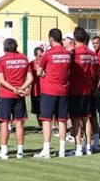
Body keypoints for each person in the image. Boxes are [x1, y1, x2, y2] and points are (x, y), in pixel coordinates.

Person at [0, 37, 33, 160]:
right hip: (19, 96)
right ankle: (20, 151)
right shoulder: (24, 59)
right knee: (19, 123)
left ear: (5, 48)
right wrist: (21, 88)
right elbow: (30, 78)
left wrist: (14, 89)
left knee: (4, 122)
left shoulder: (2, 60)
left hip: (6, 95)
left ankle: (4, 152)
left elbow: (2, 80)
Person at [34, 28, 71, 159]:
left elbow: (39, 72)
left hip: (49, 90)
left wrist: (41, 71)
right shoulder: (67, 54)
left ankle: (46, 150)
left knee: (46, 120)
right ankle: (62, 150)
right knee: (62, 120)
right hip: (64, 90)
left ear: (51, 39)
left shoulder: (48, 54)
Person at [69, 27, 96, 156]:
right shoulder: (91, 53)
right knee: (87, 118)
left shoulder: (74, 53)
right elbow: (94, 72)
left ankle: (79, 147)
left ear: (75, 38)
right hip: (87, 89)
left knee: (75, 119)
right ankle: (89, 146)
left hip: (75, 89)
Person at [30, 46, 44, 130]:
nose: (41, 57)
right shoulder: (31, 64)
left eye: (42, 55)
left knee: (49, 110)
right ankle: (41, 126)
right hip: (35, 90)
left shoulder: (46, 62)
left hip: (45, 90)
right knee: (37, 110)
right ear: (35, 55)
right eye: (39, 56)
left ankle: (52, 127)